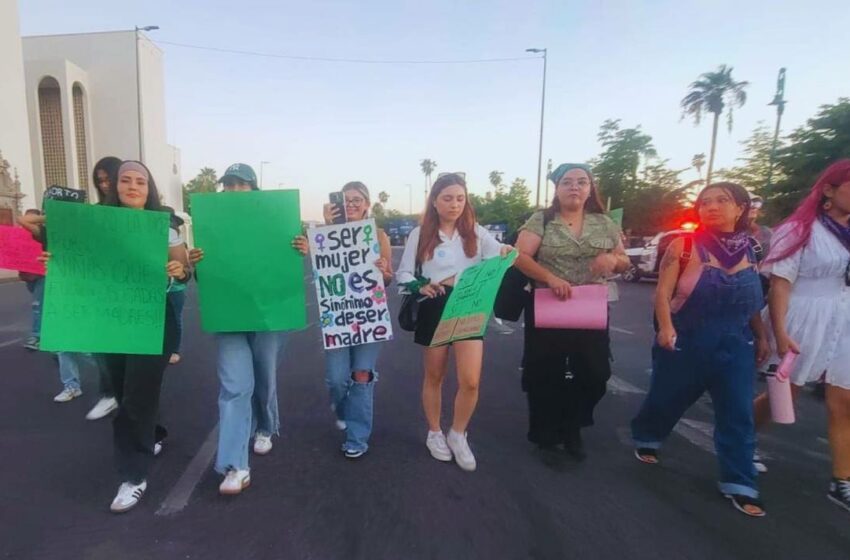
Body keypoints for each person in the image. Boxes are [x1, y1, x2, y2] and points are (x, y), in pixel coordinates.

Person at [631, 182, 769, 518]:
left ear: (740, 208)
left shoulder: (753, 250)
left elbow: (750, 302)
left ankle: (740, 482)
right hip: (686, 338)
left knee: (737, 412)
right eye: (704, 202)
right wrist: (666, 328)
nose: (711, 207)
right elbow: (662, 294)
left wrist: (762, 336)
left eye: (722, 201)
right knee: (667, 397)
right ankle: (648, 436)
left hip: (737, 343)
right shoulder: (684, 246)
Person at [189, 163, 303, 495]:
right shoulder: (211, 223)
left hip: (268, 315)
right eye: (229, 185)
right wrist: (199, 264)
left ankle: (266, 426)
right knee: (235, 387)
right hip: (229, 317)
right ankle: (235, 466)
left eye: (242, 185)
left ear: (254, 189)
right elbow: (205, 276)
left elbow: (288, 268)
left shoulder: (275, 221)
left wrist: (301, 251)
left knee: (264, 378)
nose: (235, 190)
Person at [751, 160, 850, 512]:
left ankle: (842, 481)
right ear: (828, 190)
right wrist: (779, 331)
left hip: (844, 319)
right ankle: (741, 439)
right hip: (803, 315)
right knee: (784, 393)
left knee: (845, 400)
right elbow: (780, 283)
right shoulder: (800, 229)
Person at [513, 163, 629, 463]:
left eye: (581, 182)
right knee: (543, 372)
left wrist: (613, 262)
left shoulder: (604, 223)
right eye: (567, 182)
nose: (574, 187)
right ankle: (546, 432)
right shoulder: (542, 219)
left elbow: (625, 261)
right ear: (557, 188)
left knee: (595, 373)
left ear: (590, 188)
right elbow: (519, 256)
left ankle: (573, 424)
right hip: (548, 304)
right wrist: (550, 278)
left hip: (589, 305)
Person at [396, 173, 511, 472]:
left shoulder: (476, 231)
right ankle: (434, 432)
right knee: (434, 376)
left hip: (470, 306)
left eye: (460, 198)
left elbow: (497, 255)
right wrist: (419, 285)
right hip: (435, 305)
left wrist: (506, 253)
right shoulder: (419, 234)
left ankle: (458, 433)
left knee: (470, 380)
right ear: (434, 201)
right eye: (447, 198)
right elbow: (404, 274)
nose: (454, 204)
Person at [98, 161, 190, 512]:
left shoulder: (164, 227)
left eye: (140, 181)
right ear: (114, 186)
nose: (133, 186)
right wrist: (53, 262)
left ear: (149, 188)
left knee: (136, 396)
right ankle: (153, 434)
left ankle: (133, 476)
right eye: (126, 180)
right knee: (124, 392)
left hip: (154, 320)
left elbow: (184, 272)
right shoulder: (97, 224)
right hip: (111, 322)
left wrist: (179, 269)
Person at [315, 181, 393, 458]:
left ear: (367, 204)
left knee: (362, 374)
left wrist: (384, 271)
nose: (350, 204)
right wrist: (327, 225)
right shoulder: (324, 233)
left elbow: (387, 277)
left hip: (369, 316)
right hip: (337, 317)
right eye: (345, 200)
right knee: (337, 379)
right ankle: (343, 408)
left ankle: (357, 437)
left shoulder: (378, 234)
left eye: (357, 199)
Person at [19, 209, 45, 351]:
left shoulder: (41, 234)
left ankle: (36, 336)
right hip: (29, 276)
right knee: (42, 306)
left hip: (42, 275)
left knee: (37, 306)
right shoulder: (20, 236)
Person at [165, 210, 188, 365]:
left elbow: (185, 270)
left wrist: (180, 273)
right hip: (161, 287)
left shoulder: (176, 240)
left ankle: (175, 349)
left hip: (176, 289)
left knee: (176, 319)